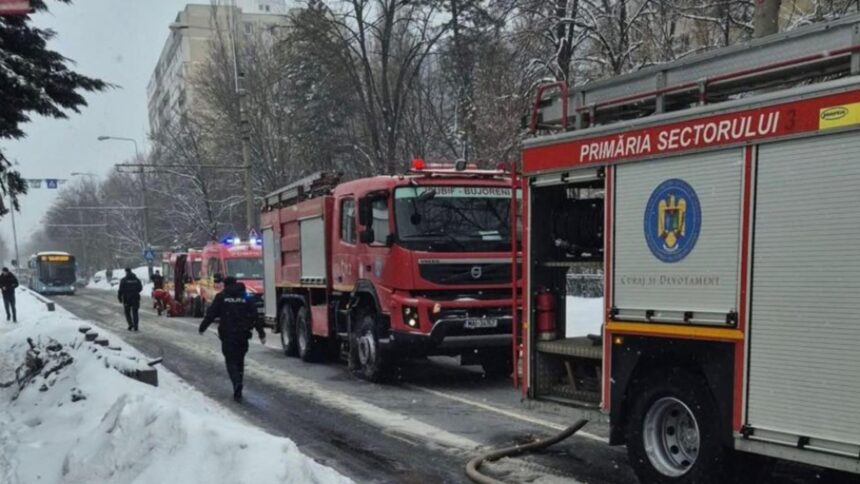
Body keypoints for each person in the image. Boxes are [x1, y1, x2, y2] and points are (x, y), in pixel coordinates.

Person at [198, 276, 265, 402]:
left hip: (228, 335)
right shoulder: (246, 297)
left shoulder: (222, 297)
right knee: (240, 360)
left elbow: (211, 314)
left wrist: (202, 327)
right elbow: (255, 317)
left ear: (225, 285)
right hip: (243, 334)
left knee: (230, 361)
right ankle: (238, 383)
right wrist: (261, 333)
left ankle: (236, 382)